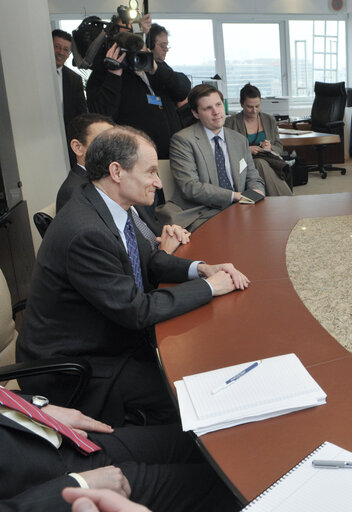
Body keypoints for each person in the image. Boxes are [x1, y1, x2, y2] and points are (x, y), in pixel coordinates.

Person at [17, 126, 250, 426]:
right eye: (151, 171)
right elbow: (136, 310)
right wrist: (208, 287)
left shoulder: (111, 206)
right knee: (189, 395)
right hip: (77, 365)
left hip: (110, 336)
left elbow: (150, 259)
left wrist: (200, 269)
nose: (157, 181)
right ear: (117, 171)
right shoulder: (87, 231)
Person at [0, 386, 237, 512]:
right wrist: (77, 485)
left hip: (47, 434)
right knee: (222, 487)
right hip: (49, 485)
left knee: (202, 440)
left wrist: (35, 405)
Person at [56, 113, 190, 253]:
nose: (115, 148)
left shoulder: (122, 183)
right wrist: (165, 252)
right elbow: (125, 257)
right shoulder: (79, 191)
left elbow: (145, 228)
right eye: (103, 141)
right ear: (77, 147)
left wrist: (168, 234)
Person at [166, 84, 266, 231]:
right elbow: (190, 187)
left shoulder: (239, 140)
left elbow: (252, 176)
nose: (216, 112)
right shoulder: (183, 140)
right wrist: (234, 196)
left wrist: (257, 191)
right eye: (208, 108)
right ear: (195, 113)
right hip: (201, 212)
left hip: (240, 206)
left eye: (218, 104)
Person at [85, 21, 190, 160]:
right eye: (132, 52)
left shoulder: (153, 67)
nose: (137, 55)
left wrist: (156, 68)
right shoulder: (104, 75)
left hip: (173, 154)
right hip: (134, 158)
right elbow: (102, 114)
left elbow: (182, 89)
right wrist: (114, 73)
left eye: (143, 49)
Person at [224, 84, 292, 196]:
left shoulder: (269, 120)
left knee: (261, 163)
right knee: (259, 163)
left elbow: (279, 146)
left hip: (269, 159)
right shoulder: (231, 122)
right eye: (250, 107)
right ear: (242, 104)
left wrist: (270, 148)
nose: (254, 111)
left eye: (257, 106)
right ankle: (286, 199)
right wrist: (247, 150)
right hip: (242, 163)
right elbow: (226, 149)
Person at [146, 23, 188, 140]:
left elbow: (183, 89)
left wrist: (157, 70)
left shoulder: (163, 68)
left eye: (167, 46)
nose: (166, 50)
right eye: (162, 46)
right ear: (149, 45)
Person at [53, 29, 88, 167]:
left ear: (69, 54)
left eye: (66, 49)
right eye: (57, 47)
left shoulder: (74, 79)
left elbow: (81, 114)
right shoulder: (33, 74)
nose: (61, 52)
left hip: (65, 144)